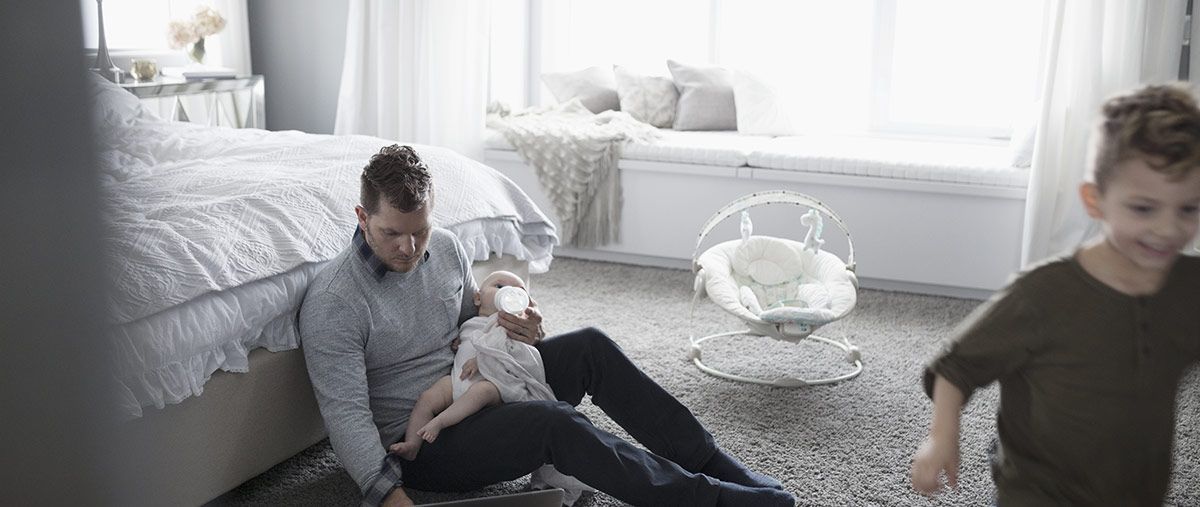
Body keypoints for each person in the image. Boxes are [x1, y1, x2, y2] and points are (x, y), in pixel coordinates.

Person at [299, 144, 794, 507]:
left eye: (419, 231)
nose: (409, 249)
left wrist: (522, 329)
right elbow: (345, 418)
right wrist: (389, 497)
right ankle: (708, 500)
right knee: (555, 424)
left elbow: (471, 323)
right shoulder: (335, 300)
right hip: (428, 441)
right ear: (363, 217)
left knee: (589, 347)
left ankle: (711, 462)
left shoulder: (445, 248)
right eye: (392, 234)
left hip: (484, 384)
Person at [910, 83, 1200, 505]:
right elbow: (957, 364)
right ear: (1095, 200)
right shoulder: (1043, 293)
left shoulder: (1190, 286)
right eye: (1143, 208)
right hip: (1038, 491)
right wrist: (942, 437)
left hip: (1136, 490)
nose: (1168, 229)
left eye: (1188, 209)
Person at [389, 270, 550, 460]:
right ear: (477, 298)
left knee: (482, 391)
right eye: (499, 286)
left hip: (493, 383)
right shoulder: (470, 322)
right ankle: (412, 444)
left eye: (519, 291)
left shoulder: (506, 326)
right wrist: (458, 344)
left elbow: (507, 352)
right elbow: (466, 339)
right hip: (460, 377)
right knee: (428, 397)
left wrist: (480, 360)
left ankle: (440, 422)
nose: (508, 292)